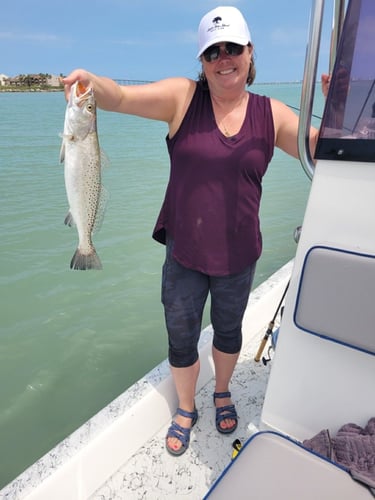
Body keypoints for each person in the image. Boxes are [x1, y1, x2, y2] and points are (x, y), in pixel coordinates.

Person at [63, 6, 321, 457]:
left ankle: (221, 391)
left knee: (228, 332)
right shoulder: (183, 99)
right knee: (180, 336)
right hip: (184, 253)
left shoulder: (271, 114)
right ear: (201, 61)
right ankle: (186, 406)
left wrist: (336, 104)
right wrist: (90, 83)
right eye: (212, 51)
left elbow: (317, 146)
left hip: (239, 254)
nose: (224, 58)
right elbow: (119, 97)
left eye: (233, 48)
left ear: (249, 52)